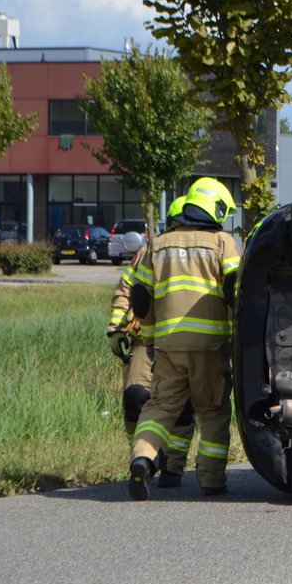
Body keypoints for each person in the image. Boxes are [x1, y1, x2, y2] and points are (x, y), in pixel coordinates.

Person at [126, 178, 240, 500]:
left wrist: (149, 339)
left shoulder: (157, 245)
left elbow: (141, 299)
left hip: (168, 348)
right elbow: (236, 293)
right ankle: (212, 480)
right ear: (216, 208)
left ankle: (142, 459)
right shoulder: (222, 243)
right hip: (211, 349)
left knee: (160, 408)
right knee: (214, 412)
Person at [106, 196, 191, 487]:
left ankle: (173, 467)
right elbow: (127, 287)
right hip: (145, 339)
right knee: (135, 398)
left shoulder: (206, 251)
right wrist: (116, 327)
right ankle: (141, 459)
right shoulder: (151, 250)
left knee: (183, 406)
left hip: (182, 342)